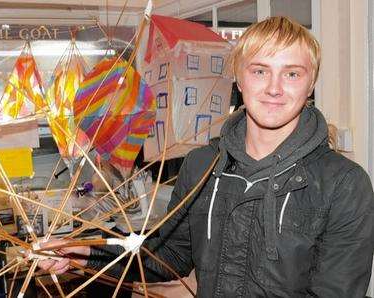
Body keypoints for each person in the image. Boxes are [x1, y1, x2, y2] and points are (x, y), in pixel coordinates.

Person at [39, 16, 374, 297]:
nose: (274, 87)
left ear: (310, 82)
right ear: (239, 78)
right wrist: (86, 253)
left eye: (291, 73)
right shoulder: (202, 166)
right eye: (259, 71)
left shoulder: (343, 184)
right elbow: (167, 254)